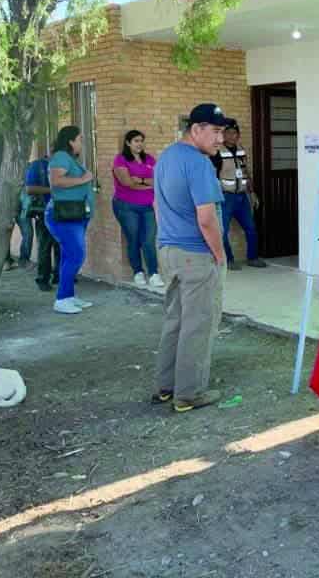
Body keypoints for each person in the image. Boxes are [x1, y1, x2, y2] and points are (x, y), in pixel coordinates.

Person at [151, 104, 228, 413]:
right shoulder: (199, 163)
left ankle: (166, 386)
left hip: (169, 250)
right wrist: (219, 255)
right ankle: (189, 393)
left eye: (223, 132)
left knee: (176, 320)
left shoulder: (166, 157)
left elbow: (157, 205)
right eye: (216, 131)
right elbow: (207, 219)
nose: (220, 139)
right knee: (198, 324)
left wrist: (168, 236)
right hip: (196, 254)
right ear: (196, 129)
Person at [46, 126, 95, 315]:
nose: (82, 142)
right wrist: (84, 179)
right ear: (70, 141)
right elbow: (56, 181)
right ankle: (62, 300)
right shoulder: (60, 156)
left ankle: (68, 295)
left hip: (76, 215)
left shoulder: (69, 158)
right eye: (79, 139)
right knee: (76, 255)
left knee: (69, 256)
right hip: (65, 216)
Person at [112, 130, 163, 289]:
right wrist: (147, 183)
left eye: (141, 140)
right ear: (128, 143)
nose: (140, 144)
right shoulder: (120, 159)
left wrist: (139, 180)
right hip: (126, 206)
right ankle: (138, 272)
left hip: (148, 206)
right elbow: (127, 183)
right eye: (136, 141)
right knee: (133, 239)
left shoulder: (149, 159)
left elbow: (158, 180)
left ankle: (154, 273)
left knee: (148, 240)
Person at [217, 119, 266, 270]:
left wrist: (252, 193)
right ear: (224, 135)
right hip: (225, 197)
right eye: (228, 133)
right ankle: (229, 260)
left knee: (251, 228)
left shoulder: (241, 150)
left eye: (234, 133)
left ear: (238, 135)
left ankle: (253, 258)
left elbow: (246, 173)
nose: (232, 136)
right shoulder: (217, 152)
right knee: (222, 231)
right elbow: (212, 175)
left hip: (242, 196)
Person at [24, 151, 60, 291]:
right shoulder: (38, 166)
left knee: (60, 245)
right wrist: (52, 190)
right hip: (43, 211)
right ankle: (43, 279)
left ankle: (59, 276)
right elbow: (29, 189)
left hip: (62, 211)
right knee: (45, 247)